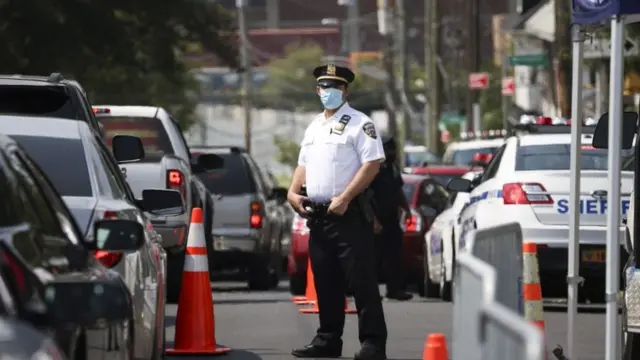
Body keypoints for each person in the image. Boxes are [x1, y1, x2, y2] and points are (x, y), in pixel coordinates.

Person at [287, 64, 388, 360]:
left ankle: (373, 344)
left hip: (349, 213)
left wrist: (344, 197)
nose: (328, 92)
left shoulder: (360, 123)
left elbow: (372, 164)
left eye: (335, 87)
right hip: (317, 215)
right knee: (325, 281)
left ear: (346, 91)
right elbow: (303, 165)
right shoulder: (314, 125)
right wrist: (293, 192)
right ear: (317, 90)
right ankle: (328, 339)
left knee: (362, 282)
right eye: (323, 87)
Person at [371, 136, 413, 301]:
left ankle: (395, 290)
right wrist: (373, 220)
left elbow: (398, 190)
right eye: (389, 149)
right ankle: (371, 292)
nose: (392, 153)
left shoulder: (392, 168)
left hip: (391, 219)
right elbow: (366, 196)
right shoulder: (372, 168)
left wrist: (407, 209)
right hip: (376, 219)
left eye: (393, 149)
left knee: (394, 255)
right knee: (374, 257)